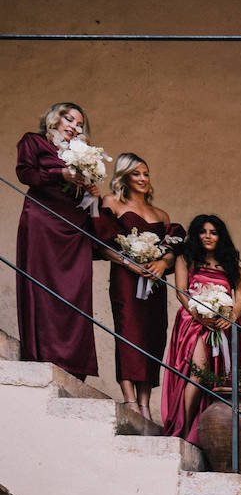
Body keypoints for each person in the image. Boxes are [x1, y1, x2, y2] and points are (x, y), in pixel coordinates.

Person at [14, 102, 102, 379]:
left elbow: (87, 200)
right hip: (43, 221)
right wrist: (59, 174)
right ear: (54, 118)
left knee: (75, 293)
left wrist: (90, 191)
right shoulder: (34, 141)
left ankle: (74, 364)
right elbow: (24, 173)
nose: (74, 127)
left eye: (79, 124)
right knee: (42, 288)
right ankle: (42, 355)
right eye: (69, 119)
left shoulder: (84, 154)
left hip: (74, 228)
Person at [101, 153, 184, 422]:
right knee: (128, 333)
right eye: (136, 173)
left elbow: (175, 249)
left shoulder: (161, 214)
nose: (142, 179)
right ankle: (130, 400)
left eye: (146, 173)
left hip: (155, 283)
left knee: (152, 335)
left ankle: (146, 404)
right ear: (124, 176)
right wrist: (129, 262)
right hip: (126, 280)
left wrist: (163, 262)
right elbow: (100, 242)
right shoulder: (112, 203)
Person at [161, 215, 241, 443]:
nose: (208, 237)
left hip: (226, 324)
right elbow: (181, 291)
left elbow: (239, 298)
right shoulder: (186, 258)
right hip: (194, 321)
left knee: (222, 377)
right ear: (196, 235)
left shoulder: (231, 265)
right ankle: (185, 427)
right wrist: (198, 313)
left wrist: (230, 317)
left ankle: (210, 433)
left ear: (221, 236)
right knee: (198, 372)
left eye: (213, 232)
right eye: (203, 231)